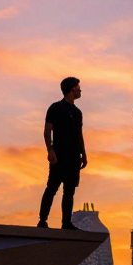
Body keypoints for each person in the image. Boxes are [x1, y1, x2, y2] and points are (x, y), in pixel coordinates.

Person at [38, 76, 87, 229]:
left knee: (69, 191)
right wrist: (50, 150)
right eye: (78, 87)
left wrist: (83, 154)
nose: (80, 90)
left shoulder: (78, 113)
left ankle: (66, 222)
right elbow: (47, 132)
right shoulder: (55, 108)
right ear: (72, 89)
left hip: (74, 157)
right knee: (52, 187)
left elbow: (79, 134)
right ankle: (42, 220)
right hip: (59, 155)